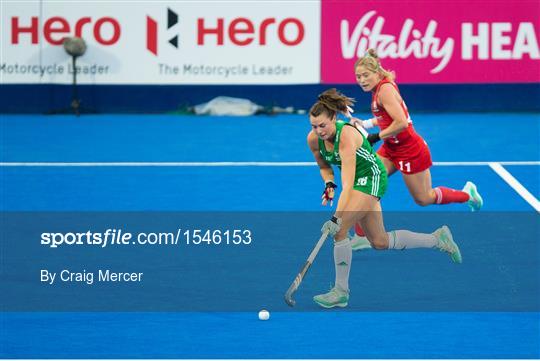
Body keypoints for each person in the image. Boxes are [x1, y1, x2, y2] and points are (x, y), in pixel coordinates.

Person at [309, 88, 462, 309]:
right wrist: (329, 184)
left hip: (370, 177)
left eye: (323, 125)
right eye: (314, 126)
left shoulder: (347, 138)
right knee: (379, 242)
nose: (319, 131)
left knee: (341, 231)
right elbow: (325, 166)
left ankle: (340, 292)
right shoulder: (313, 139)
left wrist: (335, 219)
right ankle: (439, 240)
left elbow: (350, 186)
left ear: (333, 118)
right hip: (356, 181)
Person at [348, 49, 483, 251]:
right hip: (391, 147)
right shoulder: (379, 89)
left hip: (409, 150)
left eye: (366, 75)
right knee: (367, 181)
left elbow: (401, 123)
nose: (362, 80)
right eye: (358, 76)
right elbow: (387, 117)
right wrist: (366, 124)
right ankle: (361, 235)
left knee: (423, 198)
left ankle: (468, 195)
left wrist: (374, 136)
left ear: (377, 73)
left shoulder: (384, 91)